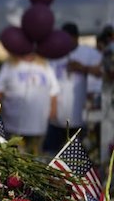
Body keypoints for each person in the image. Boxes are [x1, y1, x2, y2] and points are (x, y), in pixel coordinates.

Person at [43, 23, 103, 154]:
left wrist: (82, 68)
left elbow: (102, 72)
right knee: (50, 154)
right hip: (56, 118)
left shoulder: (88, 53)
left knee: (74, 157)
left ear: (76, 38)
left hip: (78, 118)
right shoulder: (54, 54)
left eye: (68, 38)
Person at [0, 53, 59, 156]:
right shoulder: (10, 65)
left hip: (39, 126)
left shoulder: (45, 65)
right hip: (13, 125)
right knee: (15, 157)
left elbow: (54, 91)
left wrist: (53, 110)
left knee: (36, 158)